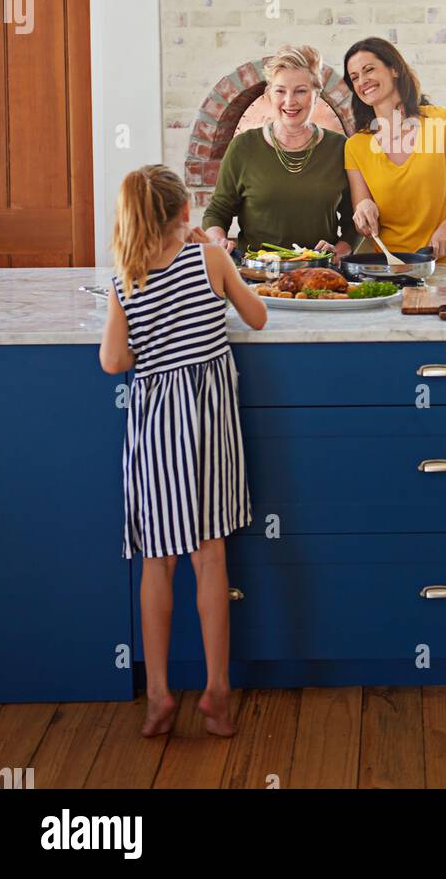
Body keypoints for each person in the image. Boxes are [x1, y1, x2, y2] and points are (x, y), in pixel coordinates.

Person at [99, 165, 267, 739]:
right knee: (210, 559)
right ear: (185, 214)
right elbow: (257, 316)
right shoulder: (211, 261)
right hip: (210, 429)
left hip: (155, 437)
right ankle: (217, 693)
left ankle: (158, 696)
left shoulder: (127, 278)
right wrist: (224, 262)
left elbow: (114, 362)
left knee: (157, 563)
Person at [203, 45, 356, 258]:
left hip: (320, 274)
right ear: (269, 94)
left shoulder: (339, 147)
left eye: (301, 91)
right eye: (280, 91)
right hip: (257, 275)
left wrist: (340, 251)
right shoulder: (243, 146)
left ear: (316, 94)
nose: (290, 101)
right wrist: (217, 240)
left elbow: (353, 220)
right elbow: (217, 213)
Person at [343, 37, 446, 263]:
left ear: (394, 70)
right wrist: (363, 209)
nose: (362, 81)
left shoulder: (442, 121)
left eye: (369, 69)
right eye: (354, 77)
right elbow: (363, 222)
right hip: (392, 266)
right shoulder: (355, 146)